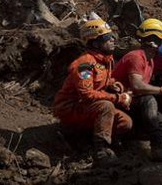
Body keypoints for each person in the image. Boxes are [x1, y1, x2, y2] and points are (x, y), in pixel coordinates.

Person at [53, 18, 132, 166]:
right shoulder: (85, 64)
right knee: (106, 106)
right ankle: (101, 151)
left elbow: (103, 80)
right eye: (107, 38)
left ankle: (85, 138)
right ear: (95, 43)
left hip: (88, 107)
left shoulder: (105, 60)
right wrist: (116, 97)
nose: (112, 40)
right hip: (70, 108)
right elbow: (87, 93)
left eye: (112, 37)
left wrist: (115, 85)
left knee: (125, 123)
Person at [112, 18, 162, 161]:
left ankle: (124, 135)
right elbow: (137, 86)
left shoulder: (150, 61)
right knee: (148, 100)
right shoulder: (136, 57)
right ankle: (158, 147)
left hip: (131, 103)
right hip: (117, 102)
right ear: (152, 41)